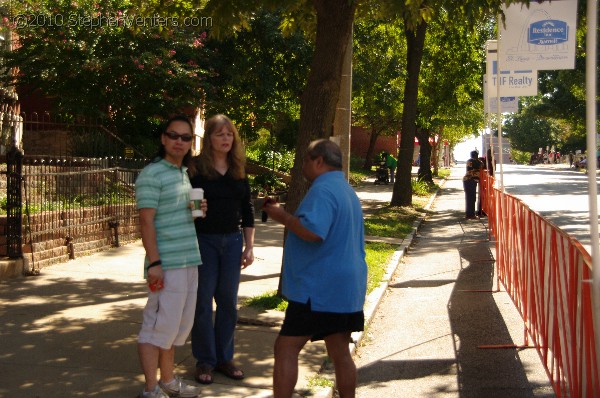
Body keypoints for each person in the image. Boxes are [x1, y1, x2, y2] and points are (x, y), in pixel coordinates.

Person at [263, 139, 367, 398]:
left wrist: (281, 215)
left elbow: (312, 231)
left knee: (285, 348)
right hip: (346, 287)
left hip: (318, 289)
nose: (303, 167)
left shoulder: (322, 190)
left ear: (318, 161)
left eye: (306, 161)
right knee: (340, 352)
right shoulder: (345, 190)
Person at [135, 115, 205, 398]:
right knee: (156, 328)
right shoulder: (152, 174)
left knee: (176, 328)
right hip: (166, 264)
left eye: (185, 137)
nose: (179, 141)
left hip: (189, 259)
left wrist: (197, 210)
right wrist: (154, 263)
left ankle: (168, 381)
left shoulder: (182, 173)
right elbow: (146, 222)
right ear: (163, 139)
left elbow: (176, 214)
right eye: (173, 136)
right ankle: (150, 389)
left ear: (190, 143)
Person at [189, 114, 255, 385]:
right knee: (202, 302)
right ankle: (205, 360)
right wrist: (194, 211)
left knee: (228, 302)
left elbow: (248, 209)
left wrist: (249, 246)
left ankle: (225, 357)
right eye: (220, 134)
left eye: (229, 134)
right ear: (210, 139)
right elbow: (191, 204)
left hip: (232, 241)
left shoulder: (239, 168)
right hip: (204, 241)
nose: (226, 139)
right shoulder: (196, 169)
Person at [463, 150, 482, 220]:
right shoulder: (476, 162)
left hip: (466, 180)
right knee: (472, 198)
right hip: (471, 180)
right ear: (476, 155)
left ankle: (469, 214)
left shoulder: (469, 161)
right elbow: (481, 165)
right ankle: (471, 214)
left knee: (469, 198)